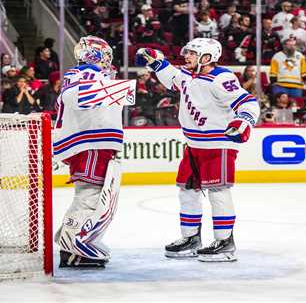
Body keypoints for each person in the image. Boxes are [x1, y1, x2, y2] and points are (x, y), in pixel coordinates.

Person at [135, 37, 260, 262]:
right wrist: (157, 62)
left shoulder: (221, 78)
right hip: (193, 144)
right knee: (187, 189)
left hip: (218, 144)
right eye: (187, 52)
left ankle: (224, 242)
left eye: (192, 53)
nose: (187, 56)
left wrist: (244, 120)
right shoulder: (187, 74)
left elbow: (247, 101)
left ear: (207, 57)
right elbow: (171, 76)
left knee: (218, 191)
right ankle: (191, 238)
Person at [53, 35, 126, 269]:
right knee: (89, 196)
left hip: (88, 143)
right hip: (91, 143)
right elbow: (81, 100)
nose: (107, 61)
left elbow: (63, 105)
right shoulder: (89, 76)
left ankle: (71, 241)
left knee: (88, 194)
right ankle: (73, 246)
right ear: (95, 55)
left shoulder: (75, 76)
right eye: (104, 56)